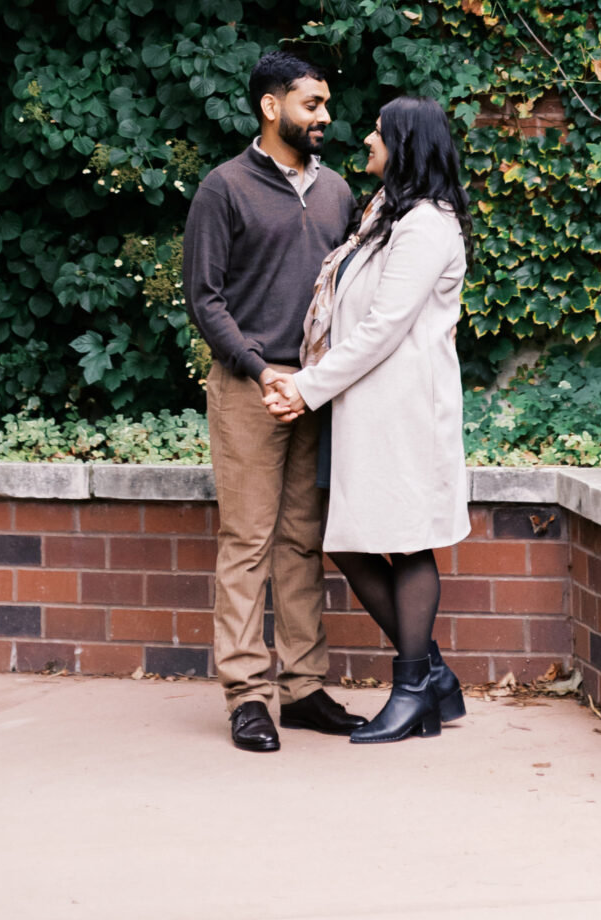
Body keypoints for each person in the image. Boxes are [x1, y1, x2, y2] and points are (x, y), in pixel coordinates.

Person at [264, 95, 472, 745]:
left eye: (379, 135)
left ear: (406, 143)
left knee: (406, 540)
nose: (367, 143)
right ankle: (432, 677)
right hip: (368, 406)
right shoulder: (388, 213)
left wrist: (306, 388)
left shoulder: (428, 226)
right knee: (351, 542)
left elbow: (384, 326)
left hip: (404, 409)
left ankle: (412, 691)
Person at [181, 47, 365, 753]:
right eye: (311, 104)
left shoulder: (337, 192)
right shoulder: (223, 189)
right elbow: (206, 298)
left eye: (324, 104)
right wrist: (262, 373)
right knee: (248, 543)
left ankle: (304, 688)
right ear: (270, 106)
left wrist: (317, 381)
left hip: (313, 392)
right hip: (249, 391)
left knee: (300, 542)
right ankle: (247, 697)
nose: (324, 116)